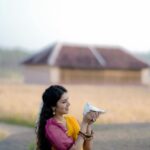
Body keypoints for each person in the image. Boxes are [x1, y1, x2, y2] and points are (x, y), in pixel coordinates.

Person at [36, 85, 100, 150]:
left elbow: (87, 148)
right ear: (53, 106)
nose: (69, 104)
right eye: (64, 102)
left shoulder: (72, 119)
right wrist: (84, 123)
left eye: (67, 100)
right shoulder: (51, 127)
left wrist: (88, 124)